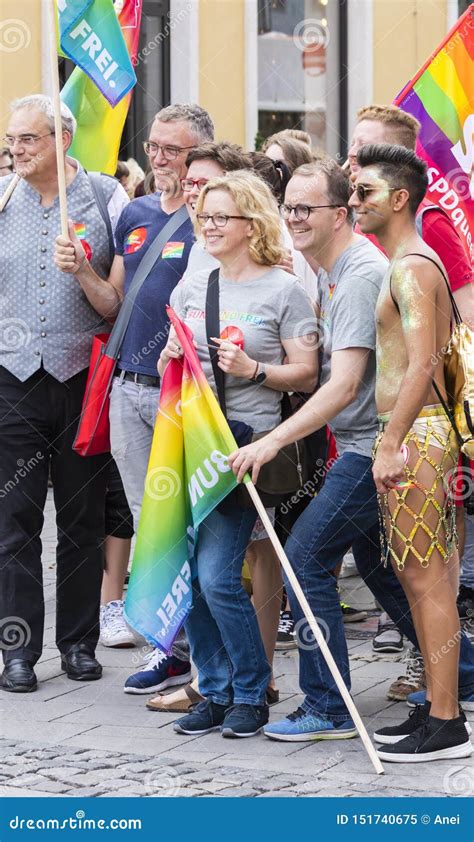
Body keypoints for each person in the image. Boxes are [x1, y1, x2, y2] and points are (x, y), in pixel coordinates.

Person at [228, 158, 474, 742]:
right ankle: (455, 679)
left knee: (314, 561)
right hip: (380, 443)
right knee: (394, 571)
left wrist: (385, 444)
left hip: (389, 446)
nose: (291, 218)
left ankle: (335, 707)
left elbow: (399, 370)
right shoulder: (348, 269)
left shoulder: (384, 270)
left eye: (304, 208)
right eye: (287, 207)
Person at [55, 103, 214, 694]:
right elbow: (113, 303)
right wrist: (81, 273)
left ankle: (210, 661)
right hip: (128, 386)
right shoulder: (138, 213)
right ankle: (168, 649)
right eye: (153, 146)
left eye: (172, 149)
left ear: (200, 152)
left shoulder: (215, 217)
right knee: (152, 526)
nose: (159, 158)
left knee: (193, 525)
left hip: (184, 395)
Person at [161, 171, 318, 738]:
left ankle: (251, 690)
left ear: (252, 224)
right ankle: (216, 689)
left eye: (220, 216)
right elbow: (170, 371)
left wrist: (253, 369)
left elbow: (309, 373)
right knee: (192, 576)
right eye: (204, 216)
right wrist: (172, 356)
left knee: (219, 576)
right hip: (191, 442)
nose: (208, 225)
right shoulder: (192, 286)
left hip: (245, 445)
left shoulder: (283, 290)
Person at [0, 94, 129, 692]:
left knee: (81, 520)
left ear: (62, 140)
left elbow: (118, 306)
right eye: (12, 140)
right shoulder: (1, 198)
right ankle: (17, 651)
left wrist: (83, 270)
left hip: (83, 378)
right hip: (13, 379)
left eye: (27, 139)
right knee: (14, 520)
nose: (16, 150)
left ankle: (78, 643)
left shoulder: (106, 199)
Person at [352, 142, 472, 762]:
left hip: (418, 435)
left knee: (428, 582)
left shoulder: (411, 265)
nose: (354, 201)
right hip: (419, 434)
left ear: (400, 198)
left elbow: (424, 360)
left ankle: (447, 720)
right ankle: (436, 705)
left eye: (365, 192)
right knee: (422, 578)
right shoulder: (408, 260)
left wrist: (391, 441)